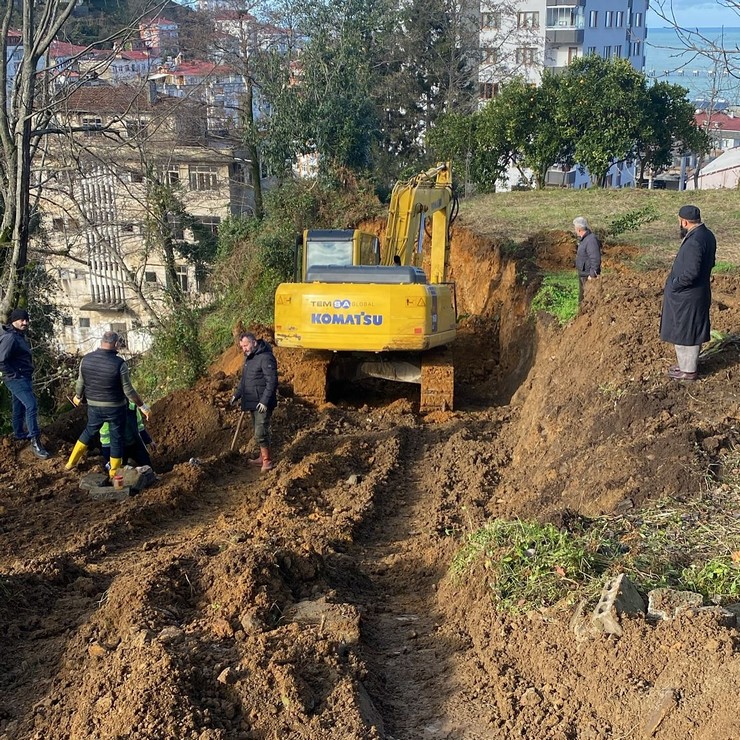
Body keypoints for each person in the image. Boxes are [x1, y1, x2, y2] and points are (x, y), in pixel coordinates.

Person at [66, 330, 151, 479]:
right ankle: (113, 472)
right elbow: (128, 390)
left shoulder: (86, 360)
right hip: (115, 408)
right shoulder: (119, 364)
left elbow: (80, 382)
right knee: (116, 438)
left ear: (102, 341)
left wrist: (77, 397)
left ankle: (70, 463)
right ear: (116, 344)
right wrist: (142, 407)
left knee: (88, 432)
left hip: (94, 406)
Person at [660, 205, 716, 382]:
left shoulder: (694, 241)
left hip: (688, 296)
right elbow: (711, 262)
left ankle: (688, 371)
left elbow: (691, 272)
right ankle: (685, 365)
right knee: (687, 329)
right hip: (697, 292)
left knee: (686, 331)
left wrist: (675, 285)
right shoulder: (707, 235)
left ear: (684, 221)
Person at [0, 308, 50, 459]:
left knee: (19, 405)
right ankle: (35, 441)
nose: (25, 322)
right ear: (14, 320)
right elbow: (1, 360)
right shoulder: (11, 337)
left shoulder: (18, 335)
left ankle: (19, 433)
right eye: (22, 320)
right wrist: (14, 373)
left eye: (26, 320)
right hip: (16, 378)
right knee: (31, 405)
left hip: (23, 376)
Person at [231, 332, 278, 472]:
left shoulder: (266, 358)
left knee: (260, 432)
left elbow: (272, 381)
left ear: (254, 342)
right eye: (242, 347)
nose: (244, 349)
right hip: (252, 401)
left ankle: (267, 461)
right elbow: (245, 381)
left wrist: (264, 401)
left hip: (262, 403)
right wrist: (237, 395)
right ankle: (261, 457)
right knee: (258, 431)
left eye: (246, 345)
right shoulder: (250, 359)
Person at [100, 401, 154, 470]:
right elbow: (106, 439)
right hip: (118, 447)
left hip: (134, 443)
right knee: (118, 470)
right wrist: (108, 457)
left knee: (147, 465)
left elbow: (139, 427)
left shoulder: (132, 407)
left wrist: (149, 440)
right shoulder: (107, 414)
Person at [573, 216, 602, 303]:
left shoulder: (591, 240)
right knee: (582, 299)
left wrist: (592, 274)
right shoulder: (584, 239)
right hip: (583, 273)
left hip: (588, 275)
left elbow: (595, 258)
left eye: (575, 228)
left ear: (578, 229)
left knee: (587, 300)